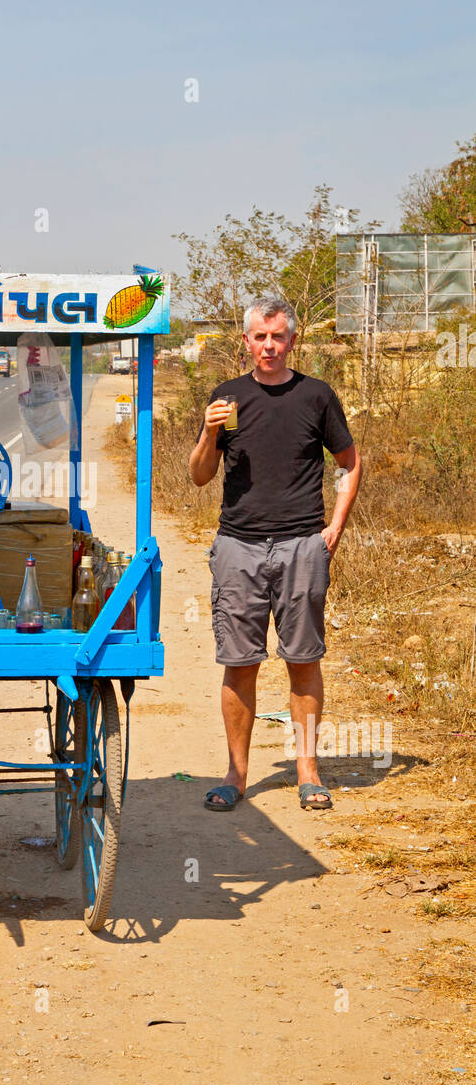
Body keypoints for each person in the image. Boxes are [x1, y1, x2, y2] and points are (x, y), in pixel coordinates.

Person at [188, 298, 362, 813]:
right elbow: (199, 476)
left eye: (278, 336)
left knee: (303, 660)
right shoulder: (227, 398)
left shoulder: (316, 395)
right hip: (238, 547)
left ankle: (308, 772)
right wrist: (209, 429)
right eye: (260, 337)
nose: (269, 345)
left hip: (302, 546)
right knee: (240, 665)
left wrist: (334, 527)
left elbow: (350, 464)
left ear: (292, 340)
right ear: (246, 341)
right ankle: (236, 776)